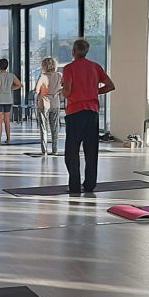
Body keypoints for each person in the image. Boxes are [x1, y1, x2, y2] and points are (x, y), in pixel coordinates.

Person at [62, 38, 116, 194]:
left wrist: (63, 90)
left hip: (75, 112)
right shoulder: (95, 67)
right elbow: (110, 85)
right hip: (92, 112)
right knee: (91, 151)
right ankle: (90, 184)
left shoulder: (69, 68)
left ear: (73, 51)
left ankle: (74, 186)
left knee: (72, 151)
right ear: (86, 51)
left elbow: (67, 91)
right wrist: (93, 91)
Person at [0, 58, 22, 144]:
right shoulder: (11, 76)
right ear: (7, 66)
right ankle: (8, 138)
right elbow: (20, 85)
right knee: (7, 120)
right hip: (8, 99)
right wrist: (11, 88)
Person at [34, 57, 62, 155]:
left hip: (43, 103)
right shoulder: (59, 75)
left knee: (43, 128)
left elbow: (36, 90)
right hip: (55, 103)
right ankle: (55, 150)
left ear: (44, 66)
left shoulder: (42, 76)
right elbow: (65, 87)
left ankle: (44, 150)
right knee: (54, 128)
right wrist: (56, 92)